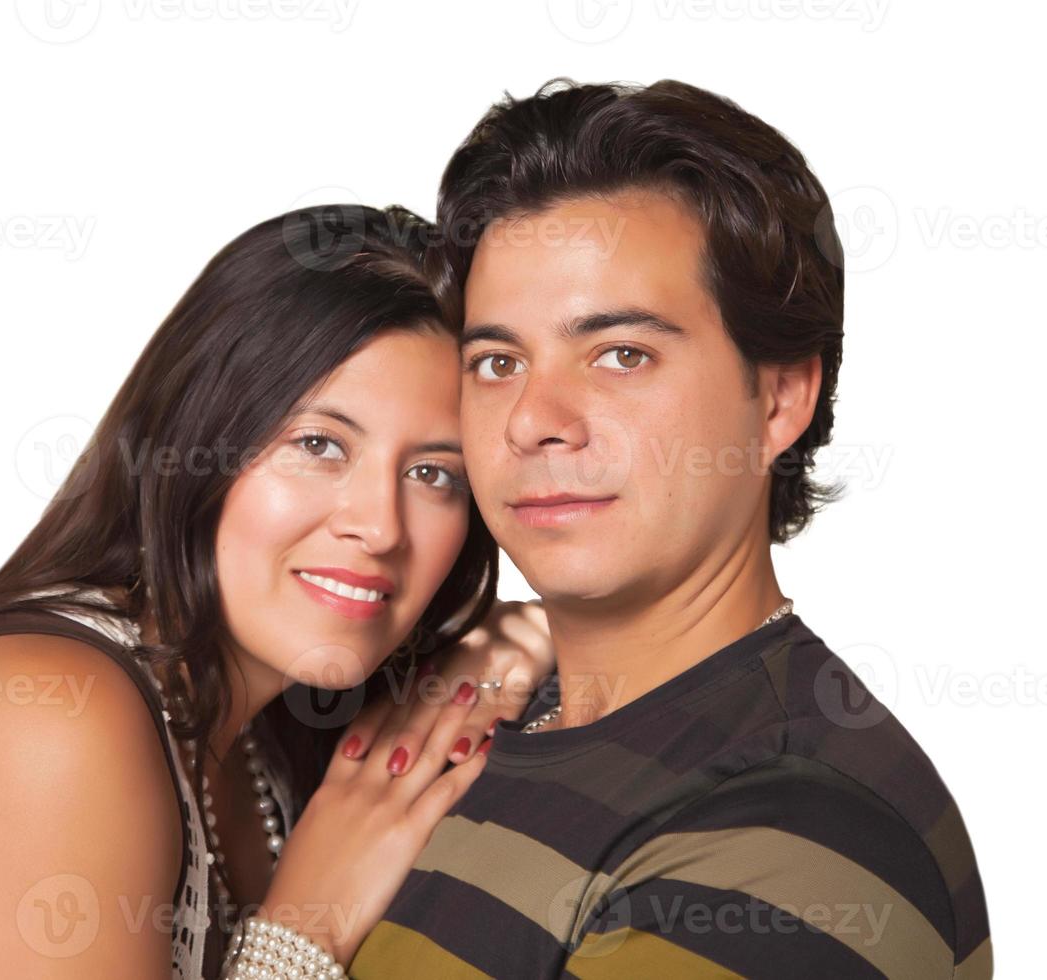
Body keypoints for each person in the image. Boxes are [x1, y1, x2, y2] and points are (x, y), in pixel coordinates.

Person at [0, 204, 557, 979]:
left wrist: (502, 653)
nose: (379, 526)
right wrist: (303, 932)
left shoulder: (266, 729)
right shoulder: (41, 719)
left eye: (432, 474)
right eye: (318, 444)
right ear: (194, 440)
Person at [316, 79, 990, 978]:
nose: (533, 419)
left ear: (780, 396)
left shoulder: (791, 831)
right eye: (497, 360)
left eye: (621, 354)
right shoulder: (476, 713)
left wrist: (289, 946)